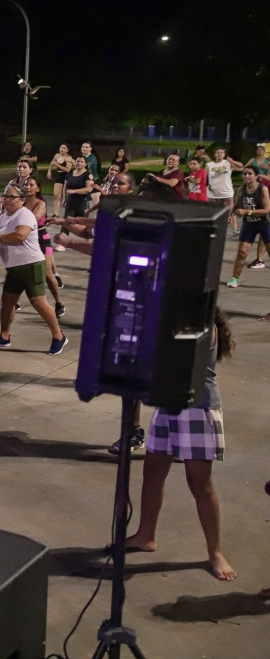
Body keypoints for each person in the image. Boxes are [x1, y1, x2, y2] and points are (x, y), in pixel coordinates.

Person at [124, 309, 236, 582]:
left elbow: (175, 358)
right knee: (152, 474)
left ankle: (215, 552)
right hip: (168, 405)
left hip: (197, 407)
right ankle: (145, 535)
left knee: (200, 484)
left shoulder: (202, 323)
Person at [0, 187, 69, 355]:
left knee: (39, 302)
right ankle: (4, 336)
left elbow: (20, 236)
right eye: (5, 196)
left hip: (31, 264)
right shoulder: (3, 217)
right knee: (7, 301)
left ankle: (59, 336)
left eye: (11, 197)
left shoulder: (24, 215)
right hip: (14, 268)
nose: (7, 199)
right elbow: (0, 240)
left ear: (21, 200)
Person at [21, 179, 66, 318]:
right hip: (26, 238)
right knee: (20, 270)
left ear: (38, 188)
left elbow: (34, 218)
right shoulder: (21, 203)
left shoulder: (40, 203)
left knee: (47, 273)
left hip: (42, 239)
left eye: (31, 185)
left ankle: (59, 303)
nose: (28, 187)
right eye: (26, 185)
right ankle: (15, 301)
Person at [226, 167, 270, 288]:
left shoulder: (263, 189)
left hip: (264, 224)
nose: (246, 176)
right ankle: (234, 278)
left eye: (250, 174)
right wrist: (231, 215)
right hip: (249, 225)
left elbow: (266, 210)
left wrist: (247, 212)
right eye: (244, 174)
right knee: (242, 252)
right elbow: (237, 205)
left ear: (256, 176)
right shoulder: (241, 189)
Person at [206, 147, 244, 231]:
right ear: (214, 154)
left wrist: (232, 161)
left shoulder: (228, 163)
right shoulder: (209, 165)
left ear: (224, 154)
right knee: (212, 210)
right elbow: (203, 175)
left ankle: (234, 228)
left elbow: (241, 166)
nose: (219, 154)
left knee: (230, 210)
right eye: (218, 152)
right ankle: (213, 227)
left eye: (221, 152)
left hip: (226, 190)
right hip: (213, 191)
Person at [47, 144, 74, 217]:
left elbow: (67, 169)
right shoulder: (57, 155)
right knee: (56, 195)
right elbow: (52, 163)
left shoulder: (68, 158)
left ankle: (68, 213)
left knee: (67, 196)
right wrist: (49, 171)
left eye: (64, 148)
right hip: (59, 175)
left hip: (66, 176)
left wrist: (57, 165)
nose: (62, 149)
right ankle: (56, 213)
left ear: (67, 150)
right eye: (61, 147)